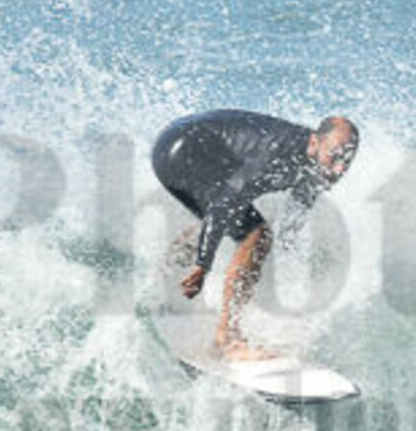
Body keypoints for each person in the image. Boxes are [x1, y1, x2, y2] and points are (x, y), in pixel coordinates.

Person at [150, 109, 359, 359]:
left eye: (347, 160)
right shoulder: (276, 155)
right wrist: (203, 266)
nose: (339, 169)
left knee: (230, 219)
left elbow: (296, 213)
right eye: (334, 157)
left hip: (179, 144)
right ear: (314, 143)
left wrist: (289, 254)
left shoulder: (318, 167)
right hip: (183, 152)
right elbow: (222, 207)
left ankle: (164, 280)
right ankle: (226, 339)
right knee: (255, 235)